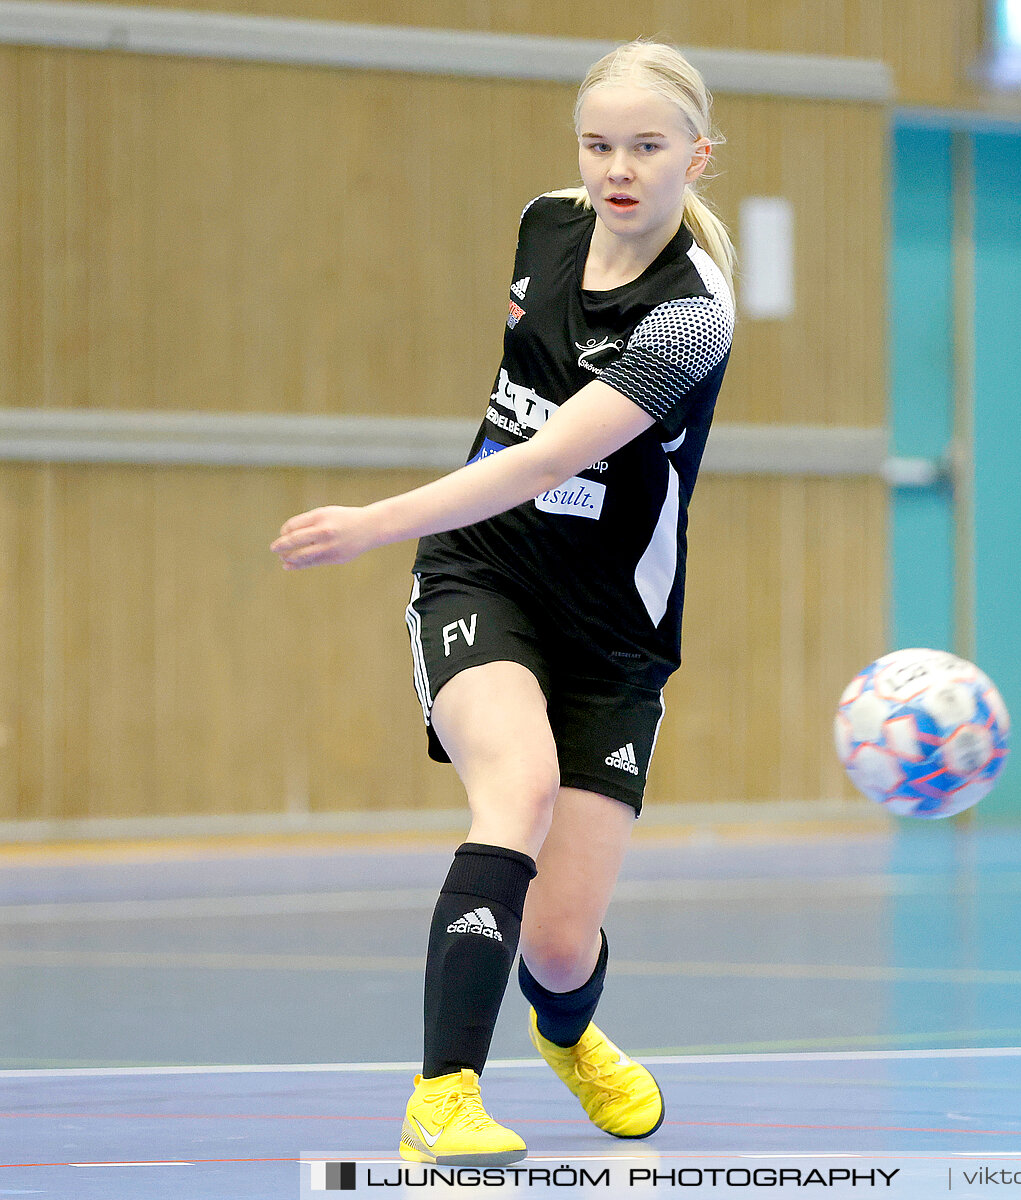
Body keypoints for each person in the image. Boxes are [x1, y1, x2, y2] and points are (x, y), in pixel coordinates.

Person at [272, 40, 735, 1166]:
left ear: (697, 158)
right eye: (598, 143)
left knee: (565, 941)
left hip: (614, 630)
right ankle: (443, 1101)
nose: (618, 167)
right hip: (480, 569)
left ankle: (570, 1034)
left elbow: (546, 458)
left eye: (647, 146)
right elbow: (512, 430)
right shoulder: (545, 222)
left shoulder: (690, 319)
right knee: (514, 788)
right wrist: (421, 534)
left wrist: (369, 520)